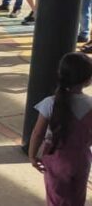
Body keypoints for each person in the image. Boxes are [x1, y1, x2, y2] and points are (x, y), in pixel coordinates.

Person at [28, 53, 92, 206]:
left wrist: (32, 156)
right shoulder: (90, 104)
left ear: (61, 75)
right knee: (77, 198)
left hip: (56, 158)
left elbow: (38, 133)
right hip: (82, 159)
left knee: (56, 198)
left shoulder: (50, 103)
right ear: (88, 80)